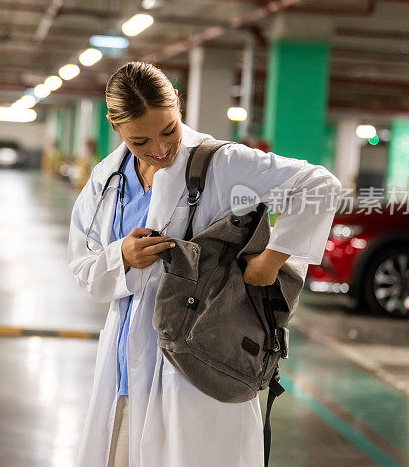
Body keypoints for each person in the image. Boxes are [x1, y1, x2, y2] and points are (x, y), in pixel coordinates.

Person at [67, 62, 342, 467]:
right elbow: (83, 266)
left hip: (201, 364)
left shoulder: (222, 164)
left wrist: (270, 261)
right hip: (125, 369)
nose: (160, 150)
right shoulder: (107, 179)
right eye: (140, 141)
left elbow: (320, 185)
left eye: (168, 131)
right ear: (115, 125)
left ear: (178, 104)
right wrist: (120, 258)